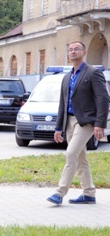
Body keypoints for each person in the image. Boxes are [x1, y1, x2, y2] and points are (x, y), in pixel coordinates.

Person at [47, 41, 109, 205]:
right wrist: (58, 127)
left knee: (71, 153)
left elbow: (103, 99)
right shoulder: (67, 77)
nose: (73, 51)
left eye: (76, 49)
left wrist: (100, 123)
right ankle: (89, 193)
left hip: (86, 122)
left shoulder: (93, 73)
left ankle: (60, 192)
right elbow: (63, 103)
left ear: (84, 52)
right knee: (81, 159)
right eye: (70, 50)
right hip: (69, 121)